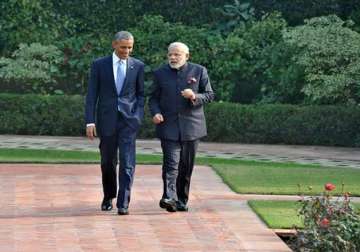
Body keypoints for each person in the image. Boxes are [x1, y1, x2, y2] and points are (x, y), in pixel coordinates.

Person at [149, 42, 214, 212]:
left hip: (192, 128)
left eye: (177, 54)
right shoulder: (159, 73)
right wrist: (155, 112)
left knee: (186, 166)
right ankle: (169, 197)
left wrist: (194, 96)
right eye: (170, 54)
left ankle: (181, 200)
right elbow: (153, 98)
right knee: (171, 164)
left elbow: (209, 95)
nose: (172, 57)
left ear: (187, 56)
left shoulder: (199, 71)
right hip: (168, 126)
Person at [85, 31, 145, 215]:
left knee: (128, 162)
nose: (127, 50)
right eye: (123, 47)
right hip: (106, 120)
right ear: (114, 45)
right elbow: (92, 95)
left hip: (129, 122)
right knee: (107, 162)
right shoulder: (99, 65)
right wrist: (90, 121)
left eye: (130, 47)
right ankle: (108, 195)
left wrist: (138, 116)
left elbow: (141, 95)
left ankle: (123, 202)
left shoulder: (138, 66)